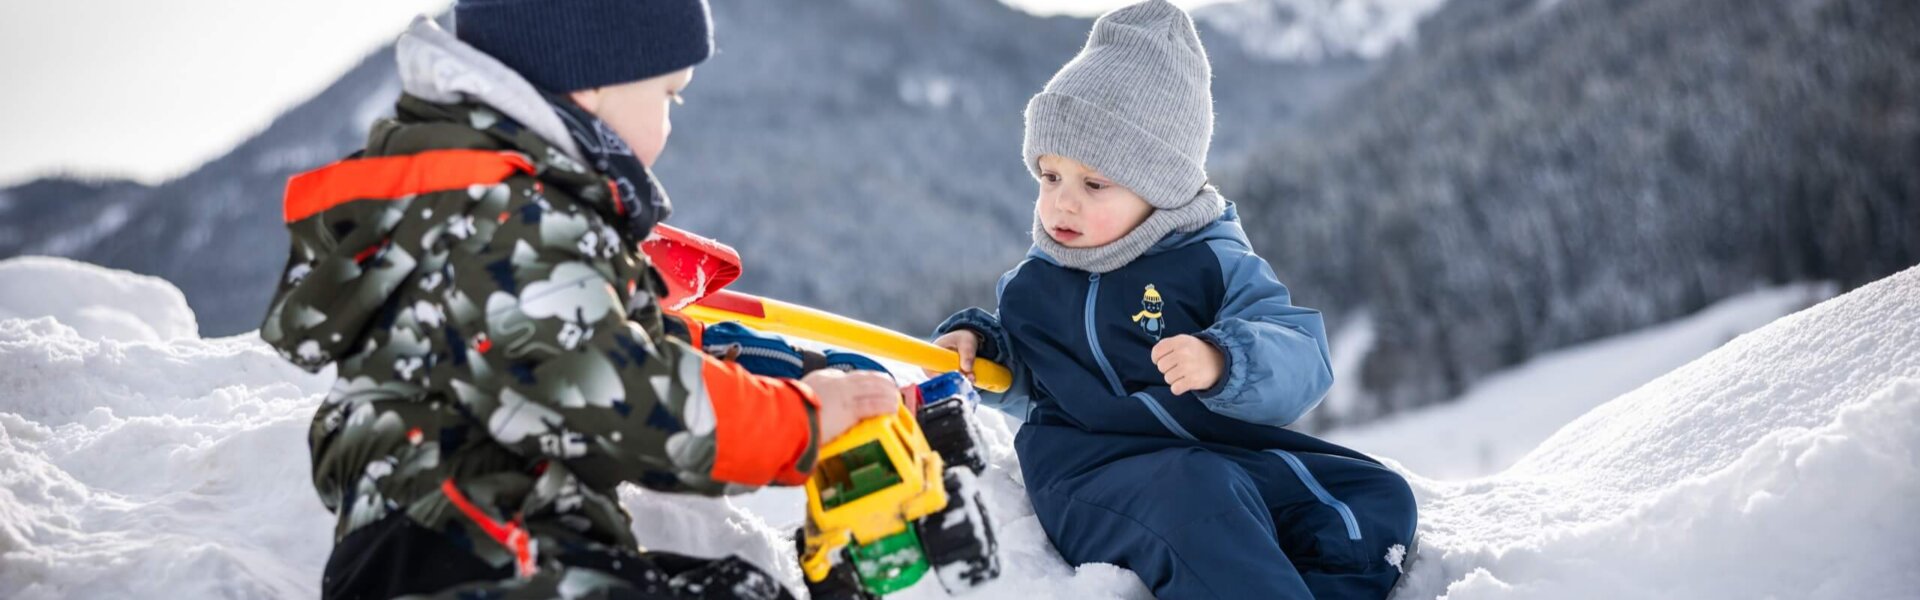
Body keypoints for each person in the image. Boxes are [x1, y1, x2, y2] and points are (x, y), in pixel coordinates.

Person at [259, 2, 897, 598]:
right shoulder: (505, 223)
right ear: (593, 82)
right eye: (668, 95)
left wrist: (787, 372)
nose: (670, 122)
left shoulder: (490, 208)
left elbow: (629, 341)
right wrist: (803, 421)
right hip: (466, 553)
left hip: (471, 545)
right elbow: (628, 396)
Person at [931, 2, 1417, 597]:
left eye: (1094, 183)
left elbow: (1302, 356)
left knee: (1370, 495)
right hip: (1091, 475)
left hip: (1220, 454)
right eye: (1049, 177)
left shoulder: (1212, 261)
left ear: (1159, 187)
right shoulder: (1037, 284)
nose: (1062, 204)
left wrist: (1225, 361)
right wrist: (980, 348)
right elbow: (1028, 375)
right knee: (1196, 501)